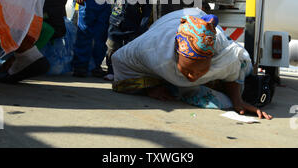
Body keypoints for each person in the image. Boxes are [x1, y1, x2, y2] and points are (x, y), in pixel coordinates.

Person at [111, 8, 273, 120]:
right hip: (168, 22)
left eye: (201, 70)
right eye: (188, 70)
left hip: (199, 20)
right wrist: (149, 87)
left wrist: (238, 101)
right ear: (176, 55)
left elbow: (235, 66)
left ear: (211, 58)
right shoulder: (151, 49)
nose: (193, 77)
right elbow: (118, 60)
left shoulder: (222, 49)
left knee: (241, 74)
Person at [104, 0, 152, 81]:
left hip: (131, 27)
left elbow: (147, 11)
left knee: (127, 52)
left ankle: (124, 73)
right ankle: (111, 72)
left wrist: (142, 26)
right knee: (112, 49)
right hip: (114, 25)